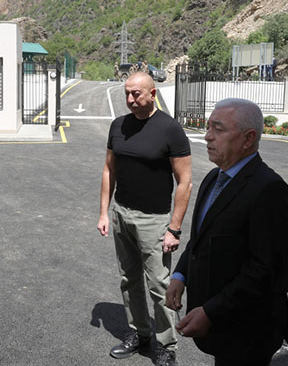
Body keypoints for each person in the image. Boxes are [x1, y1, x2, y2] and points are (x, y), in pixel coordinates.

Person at [166, 98, 288, 366]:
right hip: (223, 326)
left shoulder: (269, 190)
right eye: (208, 127)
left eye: (218, 129)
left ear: (248, 138)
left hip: (248, 330)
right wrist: (181, 275)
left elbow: (264, 271)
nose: (207, 136)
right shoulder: (214, 178)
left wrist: (211, 312)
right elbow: (201, 238)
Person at [98, 71, 192, 366]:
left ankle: (166, 345)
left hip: (155, 220)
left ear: (152, 94)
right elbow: (109, 170)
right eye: (126, 93)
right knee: (129, 280)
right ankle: (140, 334)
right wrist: (104, 212)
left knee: (159, 286)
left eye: (135, 94)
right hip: (121, 213)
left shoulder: (170, 129)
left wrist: (174, 228)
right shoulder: (118, 126)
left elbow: (185, 182)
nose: (130, 99)